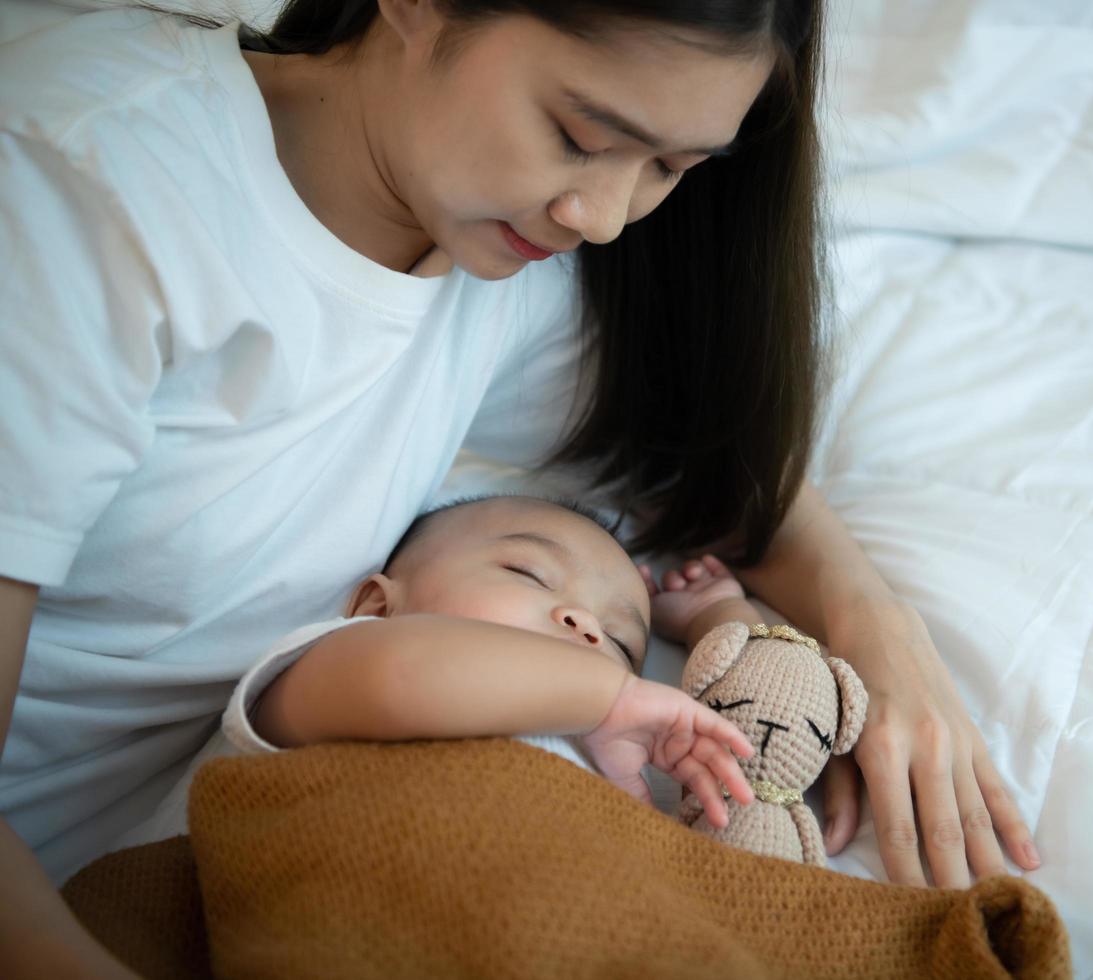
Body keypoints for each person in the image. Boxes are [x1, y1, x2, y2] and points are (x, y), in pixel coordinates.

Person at [0, 0, 1037, 974]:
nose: (605, 216)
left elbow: (709, 472)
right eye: (582, 134)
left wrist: (878, 642)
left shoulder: (499, 263)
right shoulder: (75, 187)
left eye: (671, 165)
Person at [118, 494, 758, 848]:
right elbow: (397, 679)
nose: (586, 625)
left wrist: (717, 616)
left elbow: (740, 782)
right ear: (377, 605)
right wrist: (611, 692)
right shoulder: (340, 659)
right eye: (527, 574)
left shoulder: (608, 761)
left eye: (619, 641)